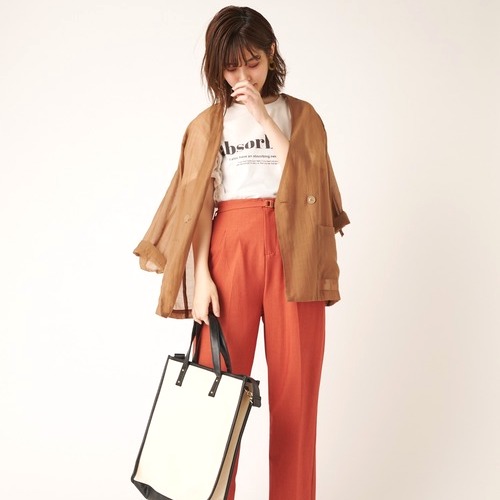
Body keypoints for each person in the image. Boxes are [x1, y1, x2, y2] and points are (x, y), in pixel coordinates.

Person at [133, 6, 349, 499]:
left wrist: (261, 116)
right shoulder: (207, 124)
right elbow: (201, 204)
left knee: (296, 399)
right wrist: (203, 278)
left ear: (271, 54)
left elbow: (309, 181)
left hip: (297, 250)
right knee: (216, 394)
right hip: (230, 246)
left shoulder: (301, 115)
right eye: (231, 68)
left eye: (253, 63)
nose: (243, 77)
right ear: (217, 67)